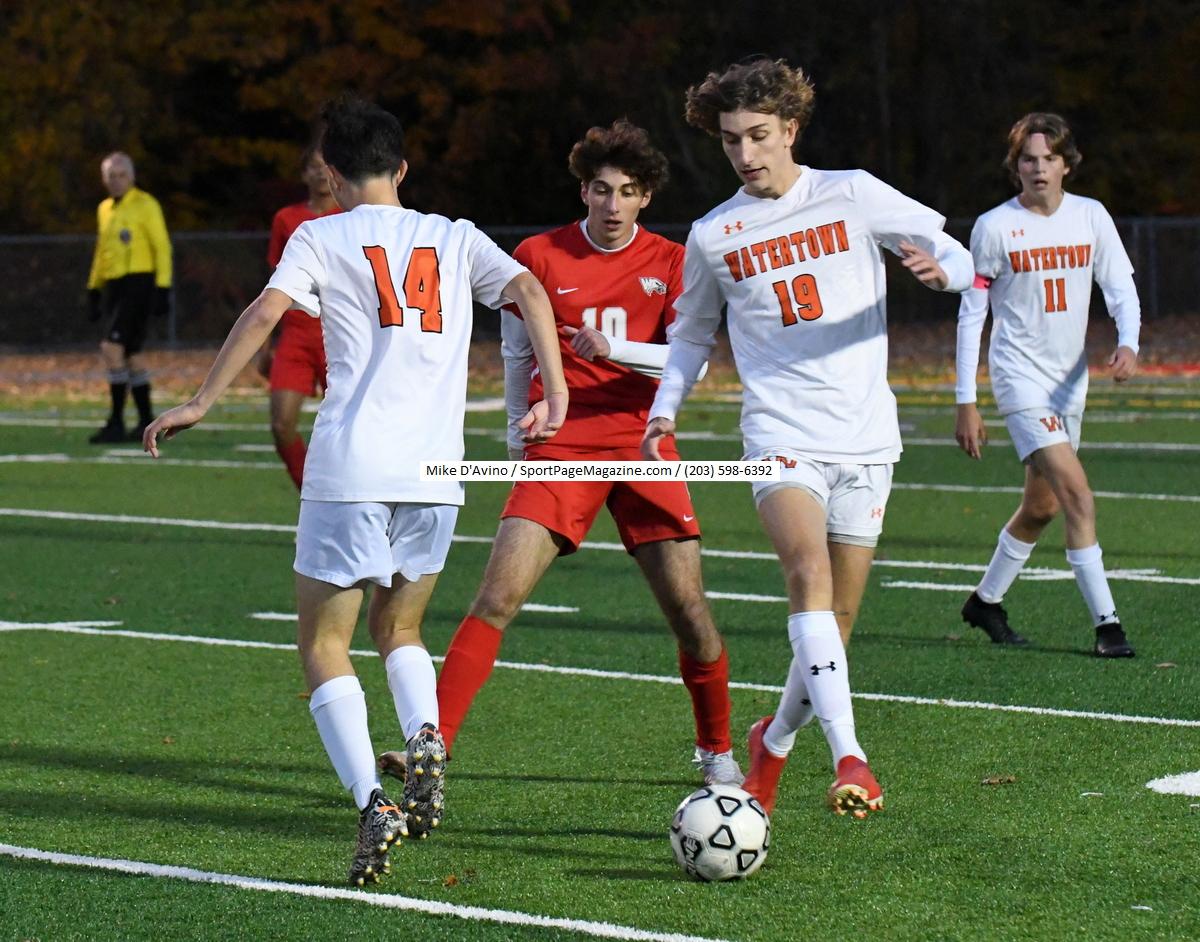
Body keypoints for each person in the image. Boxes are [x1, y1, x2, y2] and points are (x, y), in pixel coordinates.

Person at [142, 95, 567, 886]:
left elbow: (267, 310)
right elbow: (533, 295)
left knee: (322, 643)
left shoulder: (320, 233)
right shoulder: (455, 236)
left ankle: (373, 801)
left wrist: (201, 399)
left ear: (332, 174)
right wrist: (558, 394)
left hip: (351, 468)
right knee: (400, 627)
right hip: (436, 474)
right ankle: (426, 734)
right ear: (402, 168)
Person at [642, 58, 973, 819]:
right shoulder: (713, 233)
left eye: (759, 135)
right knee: (807, 576)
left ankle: (773, 742)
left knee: (835, 628)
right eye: (731, 140)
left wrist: (944, 274)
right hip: (779, 431)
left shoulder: (852, 193)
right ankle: (851, 756)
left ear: (791, 129)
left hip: (865, 434)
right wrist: (664, 411)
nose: (745, 153)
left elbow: (954, 251)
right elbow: (690, 334)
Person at [414, 119, 742, 786]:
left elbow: (696, 365)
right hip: (561, 443)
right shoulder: (538, 254)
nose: (613, 205)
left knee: (689, 611)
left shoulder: (673, 261)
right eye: (601, 189)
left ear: (646, 196)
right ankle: (431, 749)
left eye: (627, 191)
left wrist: (614, 349)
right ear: (583, 190)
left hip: (643, 442)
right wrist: (518, 437)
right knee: (496, 596)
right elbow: (517, 354)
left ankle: (716, 749)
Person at [954, 113, 1140, 658]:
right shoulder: (994, 227)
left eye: (1048, 159)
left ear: (1066, 165)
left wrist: (1129, 342)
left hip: (1069, 382)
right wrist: (966, 400)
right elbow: (972, 313)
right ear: (1016, 167)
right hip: (1019, 379)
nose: (1039, 168)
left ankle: (985, 602)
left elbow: (1120, 285)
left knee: (1042, 507)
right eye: (1028, 159)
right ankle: (1108, 627)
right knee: (1078, 495)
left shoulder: (1091, 216)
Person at [258, 145, 341, 490]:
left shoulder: (351, 215)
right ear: (304, 173)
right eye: (314, 166)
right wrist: (264, 343)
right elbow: (274, 283)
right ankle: (314, 497)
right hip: (296, 333)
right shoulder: (286, 219)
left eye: (327, 165)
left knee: (351, 432)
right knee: (281, 426)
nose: (321, 172)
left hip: (340, 332)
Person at [86, 151, 172, 444]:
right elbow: (102, 250)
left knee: (111, 348)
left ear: (132, 177)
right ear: (104, 179)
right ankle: (147, 421)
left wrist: (163, 287)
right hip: (115, 286)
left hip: (139, 283)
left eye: (122, 175)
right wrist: (94, 287)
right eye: (111, 176)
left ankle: (116, 422)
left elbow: (161, 246)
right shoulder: (104, 209)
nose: (116, 180)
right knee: (132, 354)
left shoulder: (146, 204)